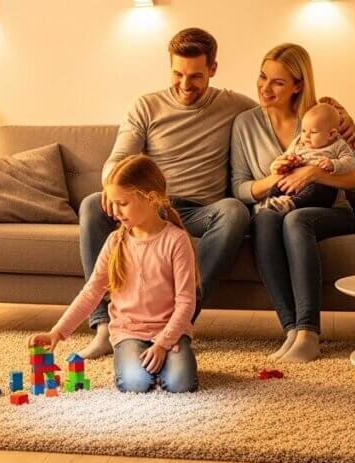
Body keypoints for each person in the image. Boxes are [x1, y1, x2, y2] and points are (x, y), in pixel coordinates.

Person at [75, 27, 255, 360]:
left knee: (235, 211)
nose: (185, 85)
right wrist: (109, 183)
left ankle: (178, 321)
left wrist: (336, 116)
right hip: (154, 209)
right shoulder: (147, 106)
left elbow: (282, 114)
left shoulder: (235, 105)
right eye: (177, 74)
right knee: (91, 206)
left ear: (213, 69)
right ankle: (103, 327)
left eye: (196, 76)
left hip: (204, 210)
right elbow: (119, 156)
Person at [231, 43, 355, 363]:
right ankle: (291, 329)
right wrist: (279, 178)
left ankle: (309, 332)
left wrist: (311, 174)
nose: (265, 88)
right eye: (262, 77)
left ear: (298, 85)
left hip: (329, 211)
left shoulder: (320, 119)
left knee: (295, 220)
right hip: (275, 205)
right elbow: (239, 188)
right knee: (263, 219)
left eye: (278, 82)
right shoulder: (245, 125)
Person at [30, 156, 199, 393]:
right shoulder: (115, 241)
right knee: (135, 383)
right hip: (128, 332)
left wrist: (163, 343)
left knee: (181, 384)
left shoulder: (176, 240)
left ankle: (164, 363)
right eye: (113, 203)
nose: (115, 211)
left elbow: (186, 303)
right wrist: (57, 332)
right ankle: (150, 364)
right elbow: (91, 293)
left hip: (169, 330)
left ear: (150, 198)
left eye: (122, 203)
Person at [261, 103, 355, 213]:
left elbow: (350, 161)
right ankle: (270, 203)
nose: (306, 135)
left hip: (321, 189)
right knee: (277, 185)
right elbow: (286, 155)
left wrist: (333, 164)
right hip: (294, 185)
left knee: (320, 189)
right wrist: (288, 161)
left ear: (331, 134)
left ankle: (291, 204)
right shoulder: (299, 142)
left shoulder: (338, 145)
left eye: (313, 132)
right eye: (303, 131)